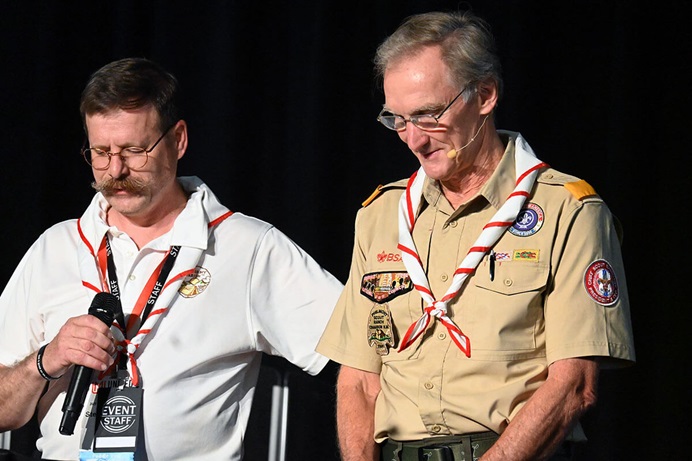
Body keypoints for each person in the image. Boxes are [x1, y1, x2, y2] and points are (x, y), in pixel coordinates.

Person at [316, 10, 635, 461]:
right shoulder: (381, 214)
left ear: (484, 95)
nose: (414, 140)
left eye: (428, 115)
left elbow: (573, 386)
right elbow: (359, 379)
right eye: (398, 120)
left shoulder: (569, 210)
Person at [0, 57, 342, 461]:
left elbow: (356, 357)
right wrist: (47, 358)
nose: (116, 170)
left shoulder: (247, 247)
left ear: (178, 140)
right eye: (100, 152)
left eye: (134, 150)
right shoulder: (54, 247)